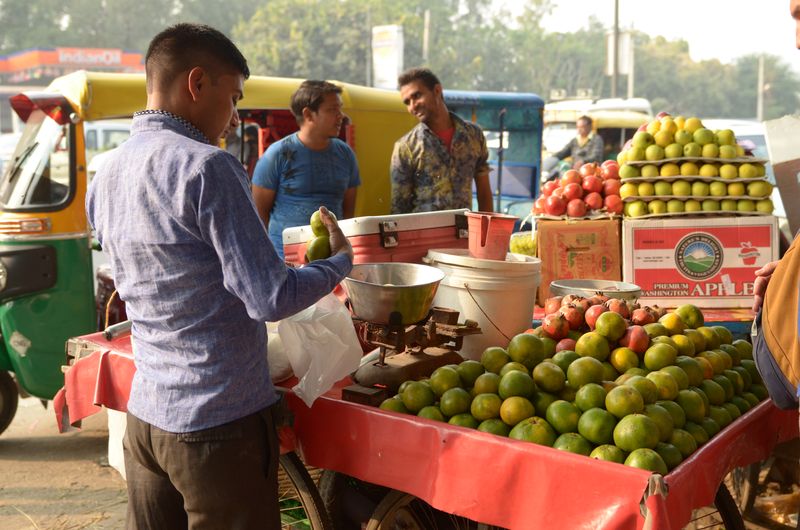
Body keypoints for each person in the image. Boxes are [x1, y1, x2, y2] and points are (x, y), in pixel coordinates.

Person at [86, 23, 354, 529]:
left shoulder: (107, 172)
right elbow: (269, 297)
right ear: (196, 83)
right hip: (216, 426)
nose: (233, 116)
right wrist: (339, 261)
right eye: (232, 98)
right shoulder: (208, 167)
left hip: (147, 420)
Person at [252, 80, 360, 259]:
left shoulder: (345, 154)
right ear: (308, 114)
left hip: (333, 261)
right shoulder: (277, 154)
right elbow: (258, 213)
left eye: (339, 109)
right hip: (285, 261)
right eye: (333, 110)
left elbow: (348, 212)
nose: (341, 115)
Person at [390, 67, 493, 214]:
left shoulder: (473, 136)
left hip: (465, 232)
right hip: (423, 235)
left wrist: (488, 233)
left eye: (417, 96)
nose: (413, 106)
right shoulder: (406, 147)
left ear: (437, 91)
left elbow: (484, 193)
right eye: (407, 102)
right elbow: (399, 208)